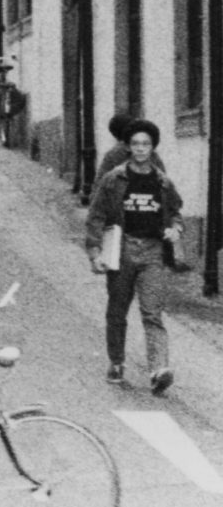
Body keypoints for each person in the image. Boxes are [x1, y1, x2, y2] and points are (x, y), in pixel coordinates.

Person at [86, 120, 184, 395]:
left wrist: (176, 229)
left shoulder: (162, 181)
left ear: (153, 148)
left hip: (153, 252)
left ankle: (158, 369)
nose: (141, 149)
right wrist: (95, 252)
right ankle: (116, 362)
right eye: (136, 144)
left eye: (146, 144)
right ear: (128, 147)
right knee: (117, 310)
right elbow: (96, 216)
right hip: (123, 250)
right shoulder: (113, 179)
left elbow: (176, 211)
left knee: (153, 313)